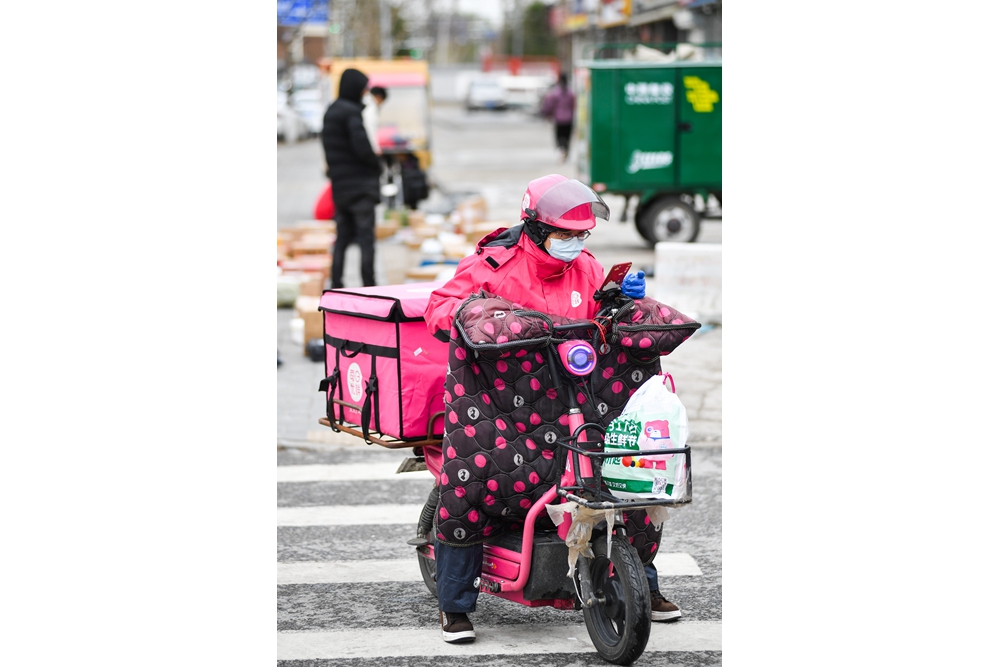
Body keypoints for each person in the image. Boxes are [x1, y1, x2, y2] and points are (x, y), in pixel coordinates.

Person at [423, 174, 680, 644]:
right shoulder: (492, 266)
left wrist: (621, 298)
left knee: (626, 479)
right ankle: (455, 603)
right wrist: (480, 314)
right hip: (502, 404)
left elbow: (598, 318)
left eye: (582, 235)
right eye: (566, 235)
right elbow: (440, 308)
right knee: (472, 485)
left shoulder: (584, 265)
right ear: (536, 229)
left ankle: (643, 584)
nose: (575, 244)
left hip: (575, 394)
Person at [321, 68, 382, 288]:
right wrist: (377, 165)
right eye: (363, 88)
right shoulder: (351, 113)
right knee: (366, 239)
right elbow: (362, 147)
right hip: (360, 188)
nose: (365, 92)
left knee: (342, 239)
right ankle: (370, 286)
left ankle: (336, 284)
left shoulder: (331, 112)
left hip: (340, 187)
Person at [541, 73, 576, 162]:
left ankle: (561, 151)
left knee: (559, 137)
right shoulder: (570, 93)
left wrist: (546, 115)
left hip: (559, 119)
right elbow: (573, 106)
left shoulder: (555, 93)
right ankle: (565, 151)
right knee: (567, 137)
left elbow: (550, 106)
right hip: (569, 119)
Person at [361, 85, 387, 155]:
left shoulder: (364, 102)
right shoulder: (371, 108)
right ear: (379, 97)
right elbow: (370, 129)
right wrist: (376, 149)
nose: (380, 105)